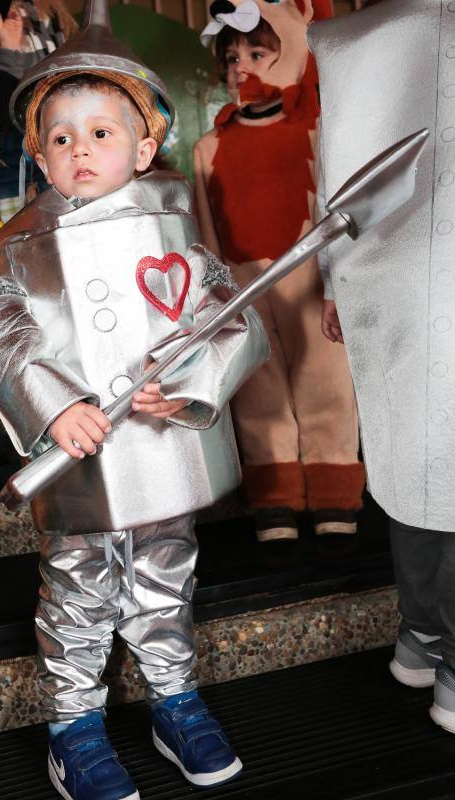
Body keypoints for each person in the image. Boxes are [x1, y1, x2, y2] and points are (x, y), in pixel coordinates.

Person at [0, 0, 269, 797]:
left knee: (167, 575)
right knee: (78, 588)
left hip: (162, 452)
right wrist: (54, 402)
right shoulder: (17, 241)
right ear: (38, 153)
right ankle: (74, 724)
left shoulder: (173, 224)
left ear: (146, 143)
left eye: (101, 132)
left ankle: (174, 698)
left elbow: (226, 310)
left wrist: (195, 381)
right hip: (84, 459)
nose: (81, 150)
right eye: (60, 138)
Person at [308, 0, 455, 734]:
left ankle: (423, 636)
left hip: (394, 276)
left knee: (414, 459)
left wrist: (340, 279)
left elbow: (340, 176)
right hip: (430, 274)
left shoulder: (360, 41)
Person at [194, 0, 365, 542]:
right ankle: (274, 497)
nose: (242, 65)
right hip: (242, 283)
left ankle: (335, 487)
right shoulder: (209, 146)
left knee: (326, 380)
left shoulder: (316, 128)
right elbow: (202, 223)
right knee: (258, 392)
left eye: (258, 52)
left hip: (310, 275)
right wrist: (215, 291)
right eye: (233, 56)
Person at [0, 0, 77, 223]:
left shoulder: (49, 11)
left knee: (64, 226)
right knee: (14, 235)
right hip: (6, 146)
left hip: (54, 138)